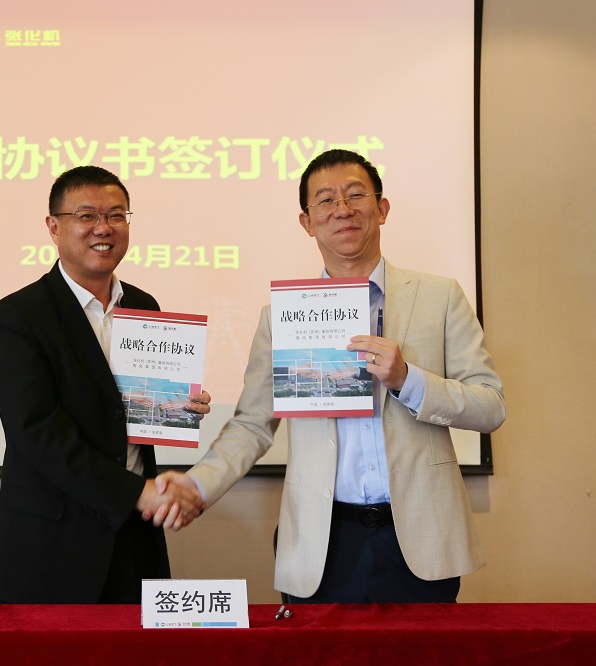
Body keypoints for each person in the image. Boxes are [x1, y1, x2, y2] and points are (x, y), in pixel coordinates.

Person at [159, 149, 505, 603]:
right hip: (321, 542)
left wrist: (407, 379)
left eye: (356, 194)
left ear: (382, 208)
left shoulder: (440, 297)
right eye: (325, 200)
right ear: (307, 222)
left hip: (422, 538)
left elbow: (489, 405)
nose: (342, 209)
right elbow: (251, 425)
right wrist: (197, 483)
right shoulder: (282, 317)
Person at [0, 165, 208, 604]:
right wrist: (137, 493)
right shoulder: (18, 316)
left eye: (116, 215)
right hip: (54, 547)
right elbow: (39, 435)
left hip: (136, 538)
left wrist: (177, 406)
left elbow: (125, 411)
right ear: (54, 227)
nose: (103, 228)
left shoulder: (143, 306)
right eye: (86, 215)